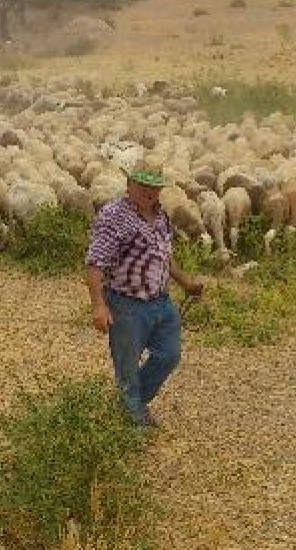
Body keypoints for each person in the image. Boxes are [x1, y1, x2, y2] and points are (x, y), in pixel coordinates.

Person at [85, 166, 204, 427]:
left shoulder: (161, 216)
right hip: (126, 304)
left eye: (155, 187)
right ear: (129, 184)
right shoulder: (113, 216)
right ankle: (133, 422)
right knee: (127, 369)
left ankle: (132, 405)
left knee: (169, 356)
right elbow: (95, 263)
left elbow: (164, 256)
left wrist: (185, 282)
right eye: (143, 186)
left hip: (161, 302)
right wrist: (98, 306)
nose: (150, 192)